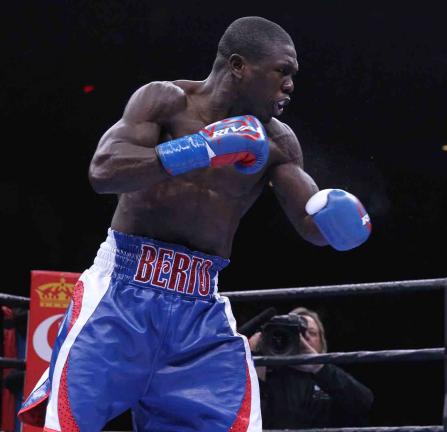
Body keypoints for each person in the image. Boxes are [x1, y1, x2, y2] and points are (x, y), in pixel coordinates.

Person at [18, 16, 371, 432]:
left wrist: (334, 224)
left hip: (199, 308)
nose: (290, 85)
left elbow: (308, 220)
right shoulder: (164, 101)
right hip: (121, 292)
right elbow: (103, 171)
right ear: (239, 66)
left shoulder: (278, 141)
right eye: (282, 71)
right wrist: (199, 149)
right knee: (67, 424)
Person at [248, 307, 374, 428]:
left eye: (312, 333)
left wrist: (319, 366)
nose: (303, 337)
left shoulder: (332, 377)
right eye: (297, 332)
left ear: (322, 342)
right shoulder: (270, 375)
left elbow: (364, 402)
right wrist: (255, 358)